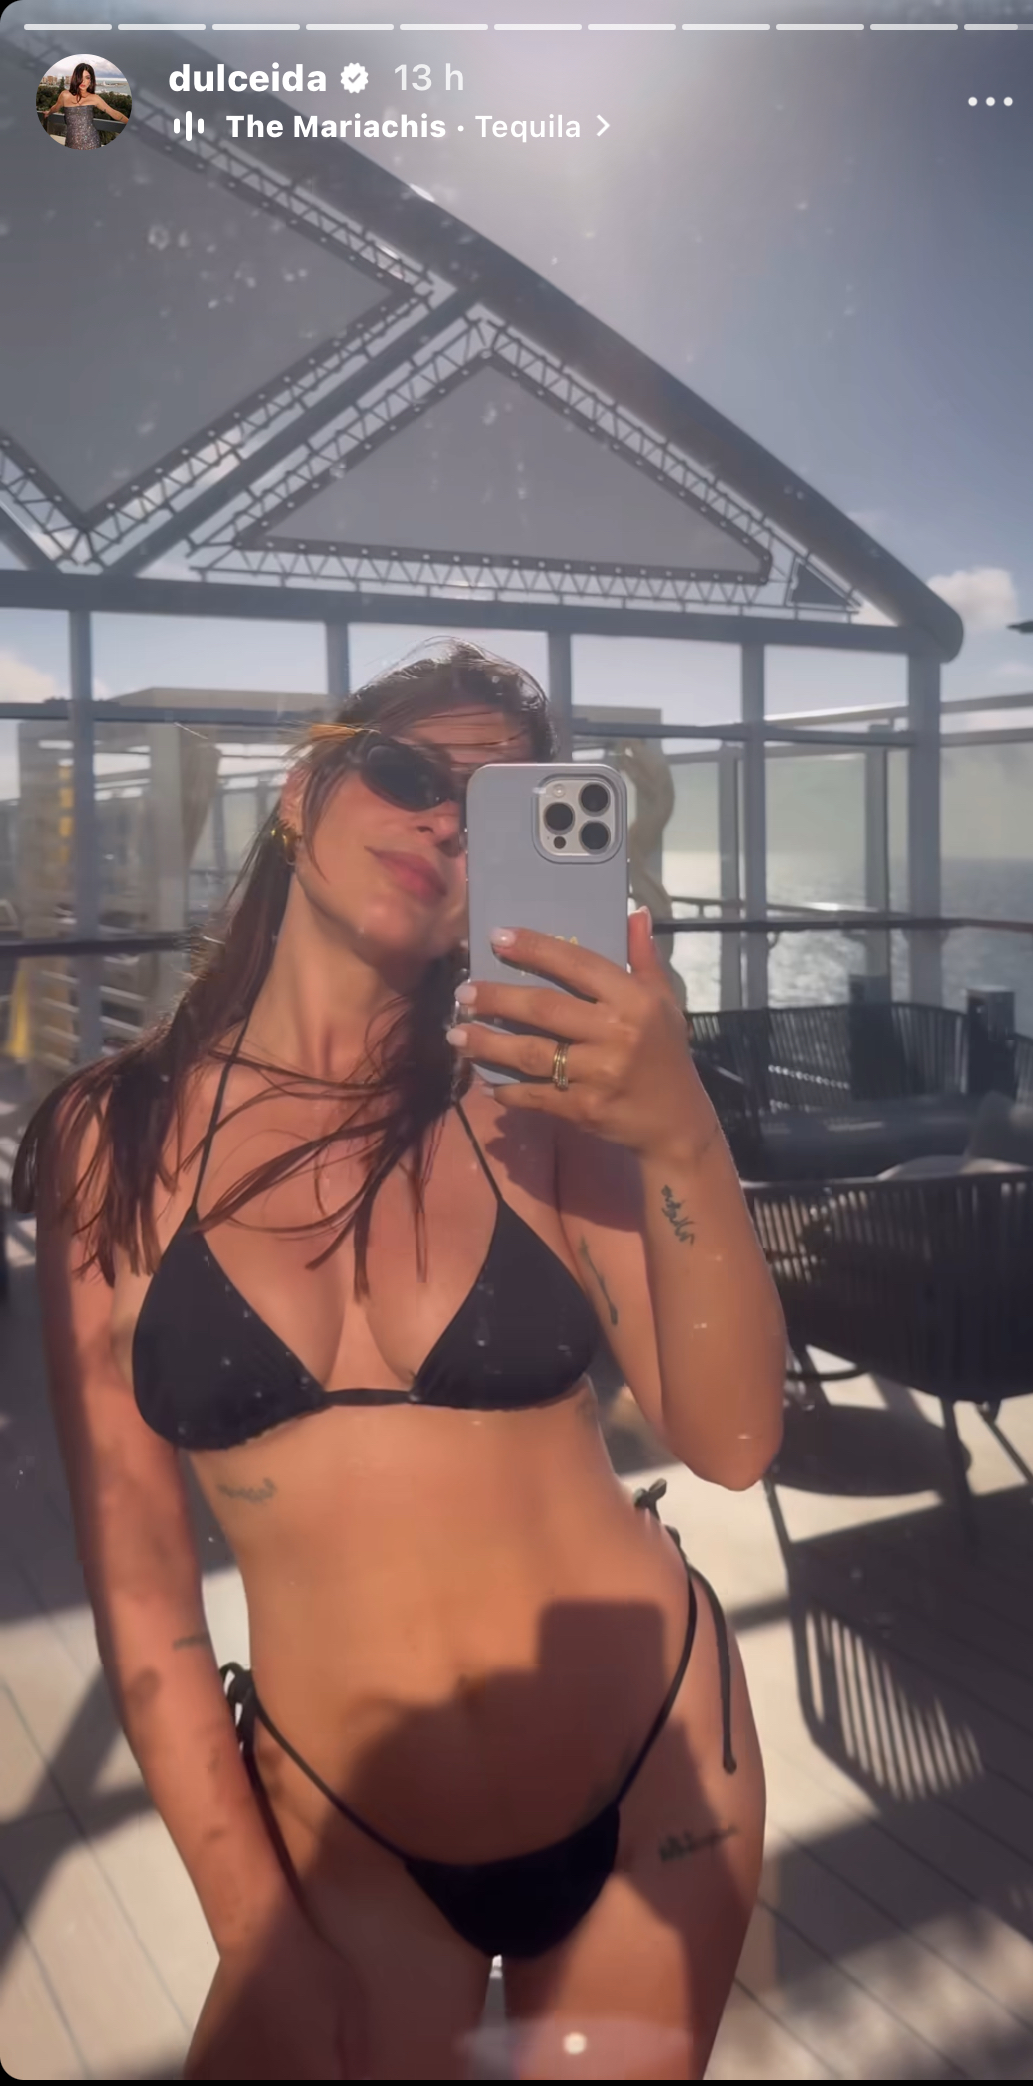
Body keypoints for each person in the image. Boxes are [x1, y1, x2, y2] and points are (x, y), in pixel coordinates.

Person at [14, 641, 787, 2081]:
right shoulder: (109, 1141)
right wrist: (256, 1928)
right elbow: (147, 1601)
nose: (441, 819)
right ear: (300, 795)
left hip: (653, 1780)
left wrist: (679, 1125)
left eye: (491, 810)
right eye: (406, 771)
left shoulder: (539, 1106)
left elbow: (734, 1440)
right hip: (343, 1834)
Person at [41, 62, 129, 149]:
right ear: (75, 78)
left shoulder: (95, 98)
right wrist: (48, 113)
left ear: (90, 80)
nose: (83, 81)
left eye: (87, 77)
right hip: (71, 143)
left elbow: (113, 113)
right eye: (80, 77)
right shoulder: (65, 95)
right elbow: (56, 107)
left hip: (92, 143)